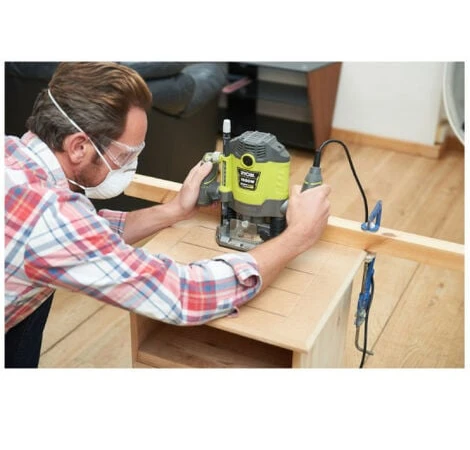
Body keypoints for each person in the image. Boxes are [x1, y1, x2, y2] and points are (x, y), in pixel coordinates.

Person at [4, 62, 331, 368]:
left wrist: (175, 209)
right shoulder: (50, 216)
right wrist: (298, 235)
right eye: (126, 154)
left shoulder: (13, 154)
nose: (130, 165)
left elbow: (80, 237)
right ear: (78, 147)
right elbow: (185, 294)